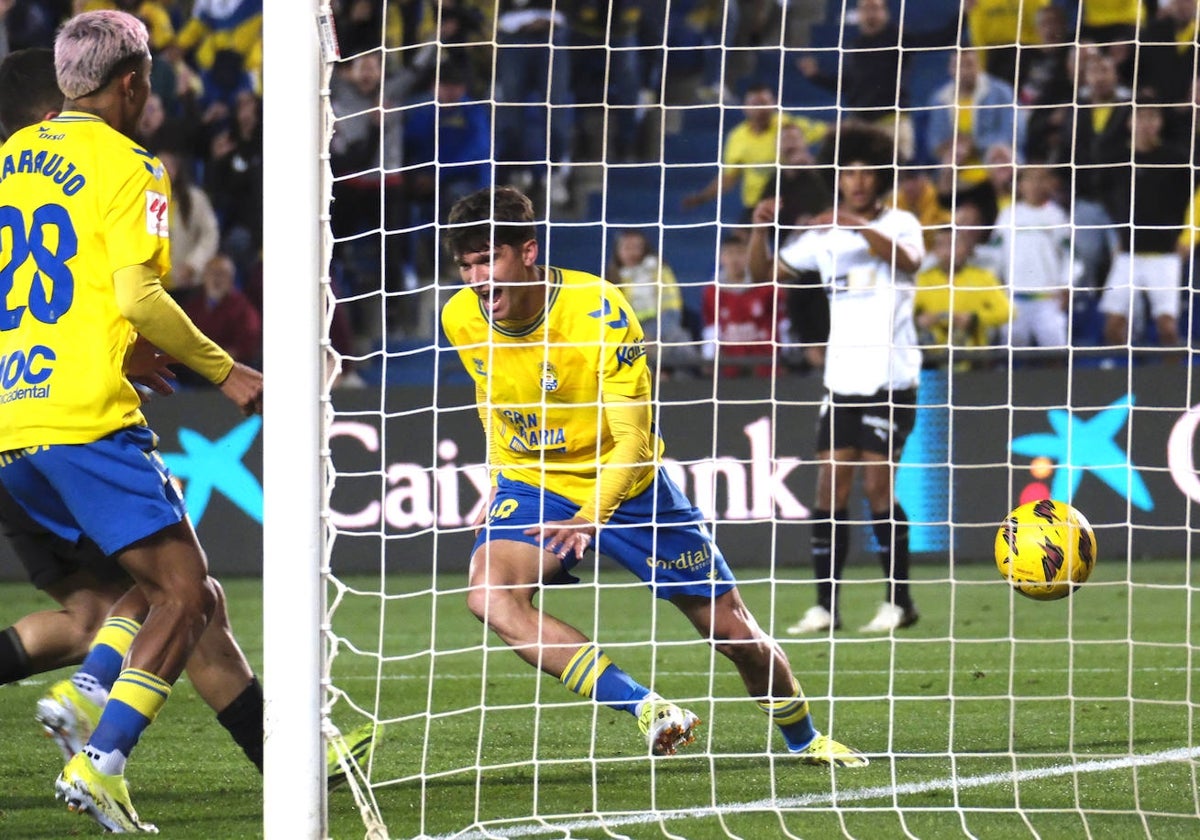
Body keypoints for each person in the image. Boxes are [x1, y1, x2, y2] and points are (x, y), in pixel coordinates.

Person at [440, 186, 867, 767]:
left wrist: (593, 515)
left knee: (734, 635)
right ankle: (647, 708)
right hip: (535, 482)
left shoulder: (599, 307)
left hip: (630, 486)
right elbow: (490, 400)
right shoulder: (460, 315)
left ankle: (805, 737)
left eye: (488, 260)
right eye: (465, 265)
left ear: (528, 251)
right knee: (490, 598)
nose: (476, 279)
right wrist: (499, 479)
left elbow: (635, 440)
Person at [0, 11, 263, 832]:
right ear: (133, 84)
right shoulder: (132, 165)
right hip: (84, 415)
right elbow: (138, 295)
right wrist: (228, 371)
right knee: (186, 594)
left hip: (13, 419)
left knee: (130, 600)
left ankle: (87, 700)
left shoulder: (10, 159)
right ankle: (99, 756)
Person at [747, 121, 925, 635]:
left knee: (877, 487)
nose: (858, 180)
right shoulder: (823, 239)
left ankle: (899, 601)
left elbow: (909, 262)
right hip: (841, 380)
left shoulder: (901, 222)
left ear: (881, 176)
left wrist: (847, 222)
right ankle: (826, 607)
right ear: (838, 176)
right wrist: (763, 229)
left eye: (867, 171)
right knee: (830, 487)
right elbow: (766, 273)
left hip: (891, 378)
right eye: (848, 172)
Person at [1096, 103, 1193, 350]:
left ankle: (1171, 381)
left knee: (1167, 328)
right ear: (1129, 123)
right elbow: (1109, 200)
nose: (1147, 123)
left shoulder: (1176, 159)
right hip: (1128, 254)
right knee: (1113, 327)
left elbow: (1195, 198)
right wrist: (1117, 234)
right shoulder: (1117, 160)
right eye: (1141, 117)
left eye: (1152, 117)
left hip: (1165, 255)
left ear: (1160, 123)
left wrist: (1189, 238)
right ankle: (1121, 379)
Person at [681, 83, 826, 218]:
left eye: (764, 103)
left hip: (792, 203)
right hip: (756, 206)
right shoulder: (737, 137)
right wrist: (702, 197)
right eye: (755, 104)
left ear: (774, 104)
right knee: (737, 240)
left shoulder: (788, 124)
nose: (761, 109)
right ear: (745, 108)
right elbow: (729, 178)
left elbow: (828, 131)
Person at [988, 164, 1073, 355]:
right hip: (1014, 300)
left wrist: (1067, 286)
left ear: (1049, 184)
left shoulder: (1057, 216)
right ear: (1020, 185)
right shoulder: (1008, 215)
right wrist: (995, 286)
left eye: (1040, 178)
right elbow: (995, 255)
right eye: (1029, 179)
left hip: (1048, 301)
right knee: (1009, 358)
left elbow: (1072, 256)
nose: (1035, 184)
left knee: (1056, 356)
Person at [914, 225, 1011, 371]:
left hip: (974, 359)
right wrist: (918, 321)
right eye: (942, 245)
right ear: (934, 250)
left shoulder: (983, 278)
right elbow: (903, 314)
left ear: (967, 248)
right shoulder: (923, 280)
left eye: (954, 244)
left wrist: (973, 319)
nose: (949, 251)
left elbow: (1007, 312)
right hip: (931, 360)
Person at [605, 228, 695, 375]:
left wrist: (653, 336)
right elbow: (612, 319)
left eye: (637, 247)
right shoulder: (611, 280)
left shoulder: (660, 271)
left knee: (680, 340)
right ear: (617, 251)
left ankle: (691, 383)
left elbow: (672, 309)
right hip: (630, 333)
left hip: (663, 326)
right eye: (627, 248)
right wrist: (639, 337)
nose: (632, 253)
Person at [701, 234, 786, 378]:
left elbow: (782, 324)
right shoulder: (712, 292)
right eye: (729, 253)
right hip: (730, 369)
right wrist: (709, 358)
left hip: (766, 366)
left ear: (748, 256)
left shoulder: (767, 287)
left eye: (740, 252)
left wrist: (786, 357)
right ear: (721, 257)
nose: (734, 259)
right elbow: (711, 328)